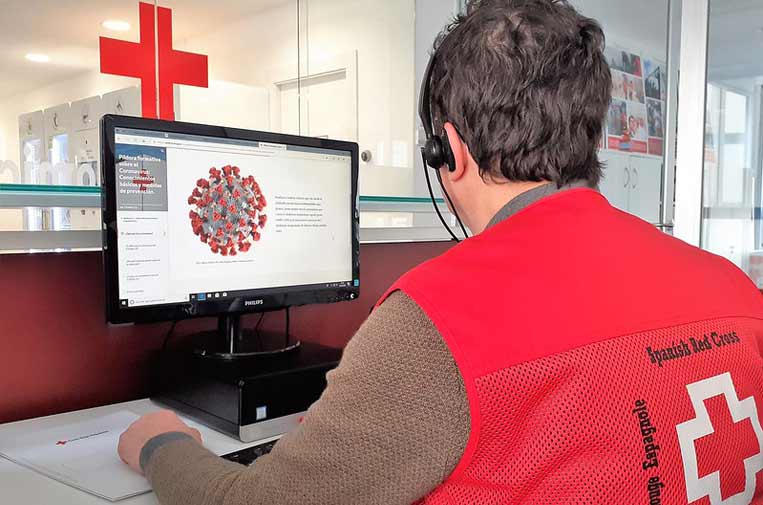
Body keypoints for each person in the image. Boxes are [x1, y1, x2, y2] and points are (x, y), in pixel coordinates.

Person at [119, 0, 763, 503]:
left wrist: (160, 444)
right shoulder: (734, 288)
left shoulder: (441, 319)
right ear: (589, 135)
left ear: (448, 151)